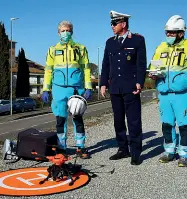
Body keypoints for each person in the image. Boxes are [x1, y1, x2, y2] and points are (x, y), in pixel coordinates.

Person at [100, 10, 147, 165]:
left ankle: (135, 152)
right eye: (111, 23)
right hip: (115, 88)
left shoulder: (138, 40)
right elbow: (105, 65)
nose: (112, 26)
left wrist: (140, 81)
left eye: (114, 23)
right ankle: (122, 149)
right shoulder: (110, 42)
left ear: (123, 24)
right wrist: (103, 83)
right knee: (118, 121)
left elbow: (141, 64)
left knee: (133, 121)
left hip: (131, 87)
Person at [41, 20, 92, 159]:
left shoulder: (81, 48)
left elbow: (86, 69)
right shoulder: (52, 50)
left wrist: (88, 86)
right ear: (58, 33)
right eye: (62, 31)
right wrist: (46, 89)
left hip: (76, 89)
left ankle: (80, 147)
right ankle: (61, 148)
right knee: (60, 120)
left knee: (78, 118)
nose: (65, 33)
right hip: (58, 89)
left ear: (72, 32)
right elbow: (48, 71)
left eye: (67, 30)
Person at [148, 15, 187, 167]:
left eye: (172, 32)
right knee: (167, 124)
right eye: (167, 32)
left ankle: (184, 154)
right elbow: (154, 66)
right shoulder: (160, 47)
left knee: (184, 125)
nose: (168, 35)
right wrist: (152, 73)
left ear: (181, 33)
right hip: (164, 93)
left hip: (182, 94)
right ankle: (169, 151)